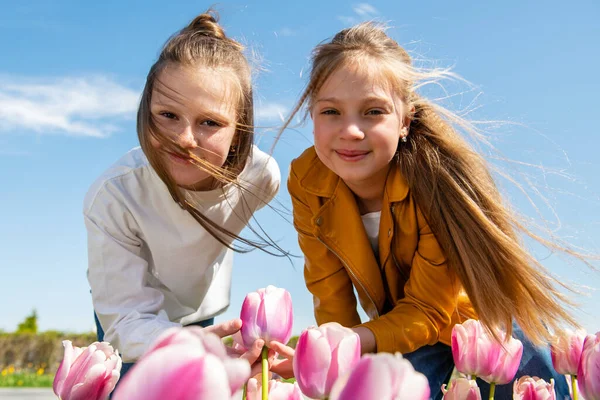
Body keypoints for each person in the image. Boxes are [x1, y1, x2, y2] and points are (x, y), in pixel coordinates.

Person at [273, 22, 579, 399]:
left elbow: (428, 311)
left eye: (372, 112)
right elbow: (328, 291)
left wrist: (350, 341)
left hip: (475, 327)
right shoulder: (307, 180)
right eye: (331, 111)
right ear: (311, 114)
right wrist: (329, 356)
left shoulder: (433, 182)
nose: (350, 130)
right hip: (398, 335)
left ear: (405, 120)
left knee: (543, 384)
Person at [84, 10, 281, 382]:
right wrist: (176, 343)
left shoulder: (260, 178)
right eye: (168, 115)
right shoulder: (114, 196)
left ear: (238, 132)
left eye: (210, 122)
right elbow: (124, 319)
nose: (185, 139)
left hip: (199, 309)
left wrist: (196, 340)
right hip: (130, 317)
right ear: (146, 111)